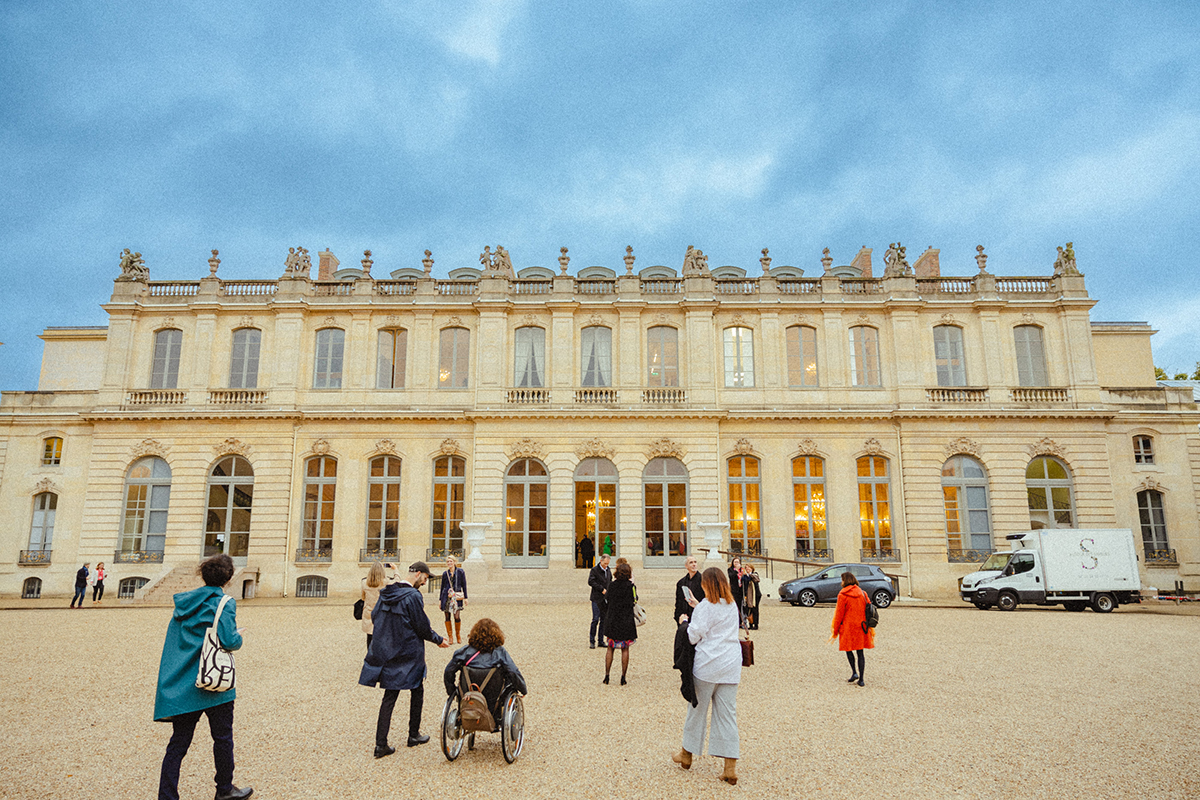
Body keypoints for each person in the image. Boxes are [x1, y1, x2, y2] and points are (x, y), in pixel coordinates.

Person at [154, 553, 252, 800]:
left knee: (178, 744)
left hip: (186, 684)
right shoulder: (224, 603)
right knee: (222, 738)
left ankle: (167, 795)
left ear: (204, 575)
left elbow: (178, 644)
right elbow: (229, 641)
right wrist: (238, 636)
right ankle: (224, 789)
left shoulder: (185, 603)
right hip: (214, 681)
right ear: (228, 579)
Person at [359, 561, 450, 757]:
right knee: (417, 689)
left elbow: (375, 616)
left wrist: (389, 635)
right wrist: (438, 640)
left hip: (389, 650)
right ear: (418, 574)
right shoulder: (413, 596)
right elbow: (421, 626)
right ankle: (413, 734)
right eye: (425, 579)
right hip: (409, 651)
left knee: (390, 695)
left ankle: (380, 744)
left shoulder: (387, 592)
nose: (425, 583)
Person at [673, 567, 741, 786]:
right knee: (727, 715)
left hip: (708, 665)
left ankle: (686, 754)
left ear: (707, 585)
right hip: (730, 665)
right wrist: (697, 607)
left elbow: (693, 636)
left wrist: (685, 621)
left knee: (697, 710)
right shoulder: (731, 605)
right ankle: (729, 767)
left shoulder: (705, 607)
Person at [443, 617, 528, 705]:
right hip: (494, 700)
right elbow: (513, 671)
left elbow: (448, 671)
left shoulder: (463, 653)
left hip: (468, 698)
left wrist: (452, 691)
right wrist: (522, 689)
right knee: (508, 676)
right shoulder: (500, 653)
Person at [831, 571, 875, 686]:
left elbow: (839, 614)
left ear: (845, 581)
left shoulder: (843, 595)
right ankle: (862, 679)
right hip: (861, 626)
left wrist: (835, 630)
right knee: (860, 652)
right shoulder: (863, 593)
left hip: (848, 627)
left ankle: (854, 672)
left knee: (849, 650)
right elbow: (869, 607)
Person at [602, 561, 637, 685]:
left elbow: (607, 599)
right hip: (626, 620)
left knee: (610, 648)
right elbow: (635, 600)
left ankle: (607, 675)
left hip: (613, 619)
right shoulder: (631, 586)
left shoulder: (612, 585)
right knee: (625, 649)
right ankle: (623, 677)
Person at [361, 561, 393, 652]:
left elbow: (363, 597)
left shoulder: (364, 582)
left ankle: (371, 658)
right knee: (383, 636)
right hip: (382, 612)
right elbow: (398, 581)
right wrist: (395, 570)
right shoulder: (386, 582)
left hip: (369, 612)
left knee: (370, 637)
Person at [439, 556, 468, 644]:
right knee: (447, 616)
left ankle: (458, 635)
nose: (449, 563)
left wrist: (466, 597)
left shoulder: (460, 572)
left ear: (454, 562)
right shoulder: (445, 573)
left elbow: (464, 585)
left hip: (456, 597)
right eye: (448, 562)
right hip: (446, 597)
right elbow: (442, 587)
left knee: (457, 616)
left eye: (451, 561)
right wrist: (440, 600)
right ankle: (450, 637)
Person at [587, 553, 611, 649]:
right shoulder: (594, 570)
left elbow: (610, 581)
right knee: (595, 619)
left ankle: (601, 640)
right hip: (596, 598)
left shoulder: (608, 570)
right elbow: (591, 581)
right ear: (601, 561)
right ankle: (592, 641)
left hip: (605, 599)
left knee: (603, 620)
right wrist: (601, 589)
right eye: (605, 563)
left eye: (607, 564)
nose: (606, 565)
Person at [674, 556, 705, 625]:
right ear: (686, 566)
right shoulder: (681, 583)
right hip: (685, 618)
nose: (694, 564)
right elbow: (678, 602)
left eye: (695, 562)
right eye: (691, 562)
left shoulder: (704, 581)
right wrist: (678, 616)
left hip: (699, 616)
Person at [742, 564, 761, 630]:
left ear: (752, 568)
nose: (747, 569)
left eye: (749, 567)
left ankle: (756, 624)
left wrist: (748, 574)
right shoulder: (745, 576)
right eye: (746, 568)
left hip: (755, 594)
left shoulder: (755, 574)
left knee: (755, 609)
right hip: (749, 595)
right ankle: (751, 623)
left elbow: (756, 579)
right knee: (749, 609)